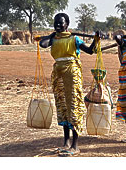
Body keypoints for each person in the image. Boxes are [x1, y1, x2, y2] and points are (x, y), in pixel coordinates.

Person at [36, 13, 101, 156]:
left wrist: (96, 40)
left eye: (61, 23)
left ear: (67, 24)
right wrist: (53, 34)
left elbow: (90, 51)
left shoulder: (74, 38)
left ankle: (75, 145)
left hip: (72, 74)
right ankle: (66, 142)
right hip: (58, 73)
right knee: (63, 106)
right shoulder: (53, 39)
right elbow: (42, 44)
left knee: (74, 106)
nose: (58, 25)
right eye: (56, 23)